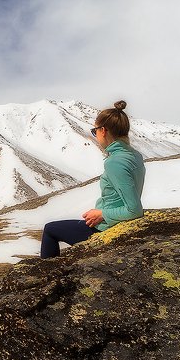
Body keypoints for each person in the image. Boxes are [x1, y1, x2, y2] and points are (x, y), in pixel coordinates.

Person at [40, 100, 145, 259]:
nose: (95, 135)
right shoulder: (134, 155)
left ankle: (46, 279)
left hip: (106, 227)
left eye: (94, 131)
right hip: (116, 224)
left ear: (103, 130)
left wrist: (102, 214)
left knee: (50, 230)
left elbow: (134, 210)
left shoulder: (115, 162)